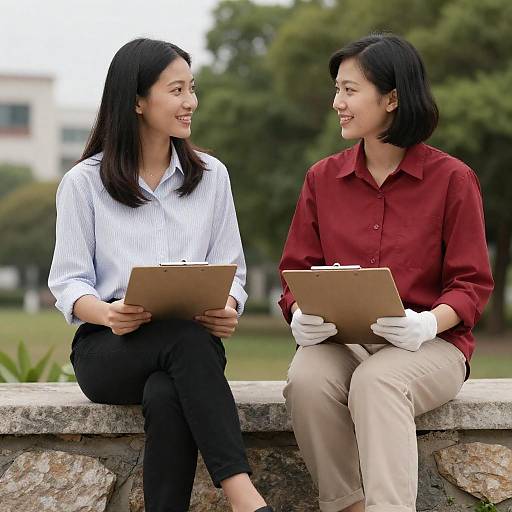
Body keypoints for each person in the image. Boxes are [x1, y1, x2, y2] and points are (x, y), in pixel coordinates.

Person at [48, 38, 273, 512]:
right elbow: (69, 283)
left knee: (167, 390)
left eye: (192, 88)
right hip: (110, 349)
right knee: (179, 342)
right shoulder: (83, 183)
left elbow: (231, 269)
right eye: (176, 89)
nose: (190, 101)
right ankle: (244, 497)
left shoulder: (212, 176)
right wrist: (110, 315)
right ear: (136, 100)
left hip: (191, 351)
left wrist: (227, 307)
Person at [278, 33, 493, 512]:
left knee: (379, 381)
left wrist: (426, 322)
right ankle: (349, 507)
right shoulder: (321, 178)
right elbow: (297, 270)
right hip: (343, 342)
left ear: (392, 98)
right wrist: (297, 312)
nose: (338, 102)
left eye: (350, 90)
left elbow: (472, 285)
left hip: (432, 347)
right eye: (337, 90)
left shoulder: (453, 180)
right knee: (306, 379)